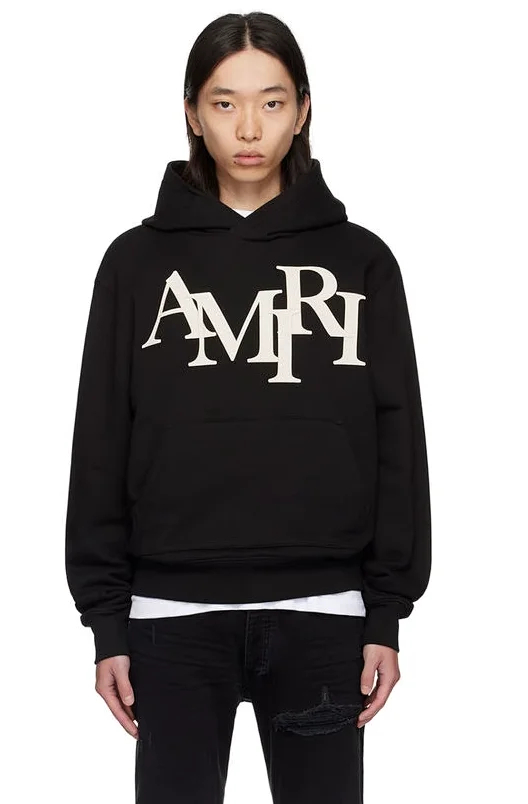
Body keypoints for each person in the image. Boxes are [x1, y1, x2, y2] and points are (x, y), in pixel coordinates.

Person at [65, 11, 432, 804]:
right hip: (168, 622)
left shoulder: (362, 260)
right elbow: (100, 441)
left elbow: (398, 439)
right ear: (192, 113)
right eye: (224, 102)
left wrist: (385, 613)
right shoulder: (135, 263)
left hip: (324, 617)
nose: (249, 128)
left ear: (303, 109)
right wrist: (106, 622)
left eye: (271, 101)